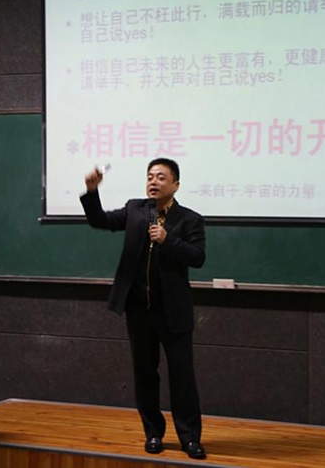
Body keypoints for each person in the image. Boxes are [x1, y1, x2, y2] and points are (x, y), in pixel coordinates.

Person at [80, 158, 206, 460]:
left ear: (175, 185)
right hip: (139, 310)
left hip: (173, 311)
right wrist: (92, 191)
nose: (153, 181)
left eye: (161, 177)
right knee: (145, 375)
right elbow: (99, 220)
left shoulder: (190, 219)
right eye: (150, 176)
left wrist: (168, 240)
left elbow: (198, 257)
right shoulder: (135, 210)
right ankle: (153, 433)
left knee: (182, 377)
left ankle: (190, 438)